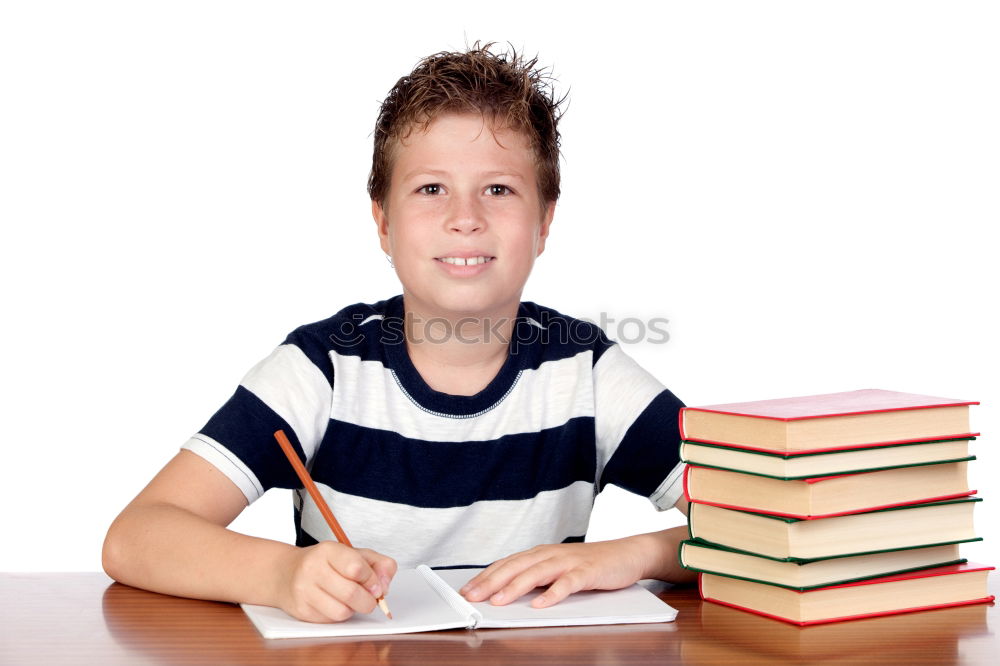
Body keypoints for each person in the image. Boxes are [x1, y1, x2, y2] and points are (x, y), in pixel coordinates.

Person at [102, 41, 697, 624]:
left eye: (499, 189)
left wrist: (635, 555)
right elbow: (136, 537)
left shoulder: (589, 372)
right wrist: (279, 575)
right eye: (430, 188)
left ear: (544, 222)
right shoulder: (322, 367)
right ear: (383, 222)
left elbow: (779, 532)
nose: (465, 218)